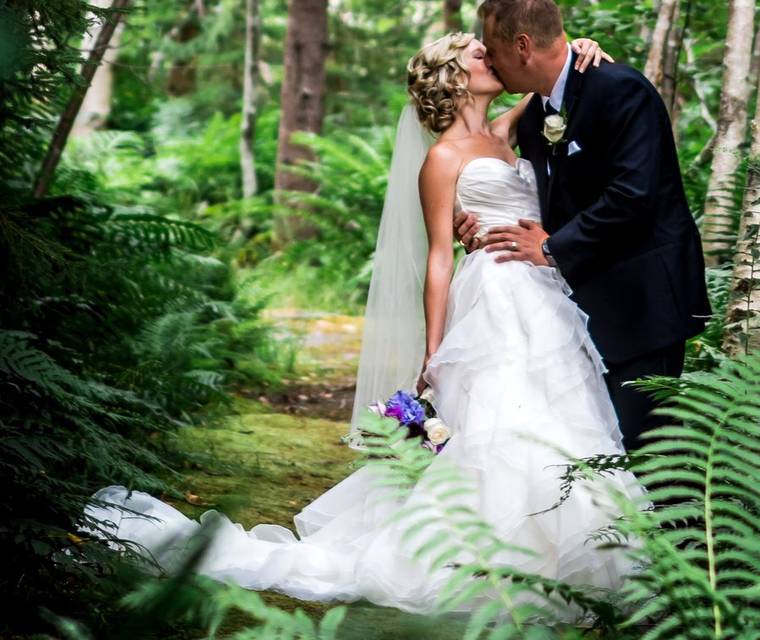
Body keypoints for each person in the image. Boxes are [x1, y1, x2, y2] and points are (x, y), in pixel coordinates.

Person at [82, 32, 647, 620]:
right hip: (492, 297)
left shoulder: (505, 130)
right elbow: (437, 257)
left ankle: (565, 558)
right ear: (453, 77)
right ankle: (484, 559)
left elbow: (550, 73)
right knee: (499, 422)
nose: (493, 58)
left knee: (556, 415)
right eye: (479, 54)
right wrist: (434, 352)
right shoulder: (443, 158)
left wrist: (578, 44)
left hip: (543, 291)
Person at [455, 0, 712, 451]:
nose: (489, 60)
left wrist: (553, 248)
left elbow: (634, 195)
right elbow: (546, 194)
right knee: (594, 446)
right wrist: (482, 220)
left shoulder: (619, 89)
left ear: (522, 46)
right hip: (576, 305)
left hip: (642, 300)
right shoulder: (536, 113)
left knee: (643, 446)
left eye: (492, 49)